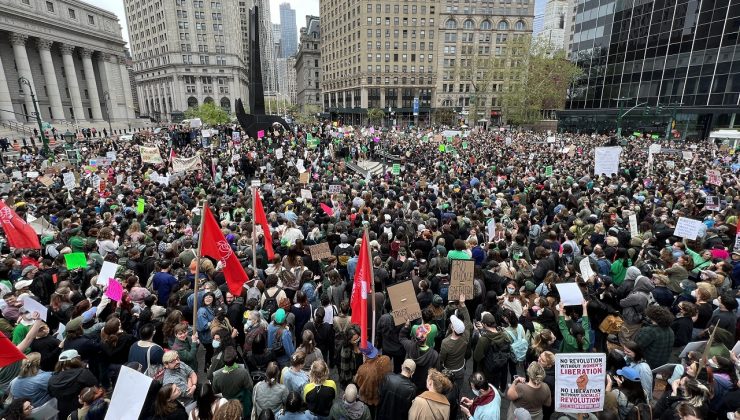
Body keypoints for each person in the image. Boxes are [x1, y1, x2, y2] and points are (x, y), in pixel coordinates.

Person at [46, 349, 99, 419]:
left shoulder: (52, 379)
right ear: (77, 360)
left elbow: (51, 394)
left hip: (64, 413)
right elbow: (95, 387)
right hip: (83, 411)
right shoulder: (83, 373)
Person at [211, 347, 253, 416]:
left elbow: (215, 392)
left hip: (226, 404)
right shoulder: (243, 372)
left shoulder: (217, 375)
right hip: (241, 403)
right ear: (236, 358)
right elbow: (250, 387)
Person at [353, 342, 392, 416]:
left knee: (371, 414)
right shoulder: (386, 359)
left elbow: (358, 382)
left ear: (364, 354)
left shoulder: (362, 370)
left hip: (370, 398)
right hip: (383, 395)